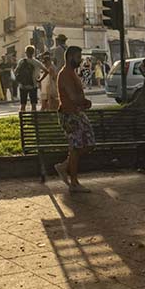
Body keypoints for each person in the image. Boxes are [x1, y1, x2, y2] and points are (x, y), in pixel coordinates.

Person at [53, 45, 94, 193]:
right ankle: (74, 183)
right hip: (69, 115)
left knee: (89, 144)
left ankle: (64, 167)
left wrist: (84, 102)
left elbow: (78, 97)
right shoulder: (65, 74)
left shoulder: (73, 73)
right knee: (76, 148)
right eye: (78, 57)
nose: (80, 60)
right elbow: (73, 97)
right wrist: (83, 101)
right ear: (70, 57)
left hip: (77, 113)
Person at [14, 45, 48, 112]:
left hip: (23, 85)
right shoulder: (36, 62)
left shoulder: (22, 61)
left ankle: (22, 120)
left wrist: (19, 79)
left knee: (23, 105)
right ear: (33, 52)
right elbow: (46, 71)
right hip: (33, 85)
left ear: (26, 52)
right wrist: (39, 80)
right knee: (33, 105)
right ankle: (34, 119)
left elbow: (15, 72)